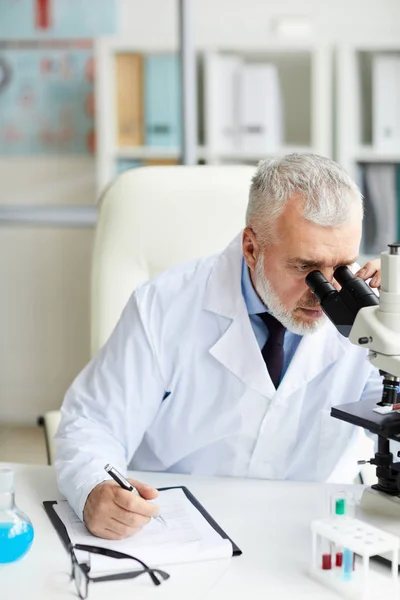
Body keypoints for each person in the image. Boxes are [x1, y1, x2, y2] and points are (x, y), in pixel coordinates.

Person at [55, 153, 383, 541]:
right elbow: (94, 422)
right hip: (179, 525)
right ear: (251, 247)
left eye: (341, 266)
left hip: (312, 530)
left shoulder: (372, 315)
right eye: (304, 267)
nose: (325, 292)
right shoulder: (164, 305)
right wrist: (94, 488)